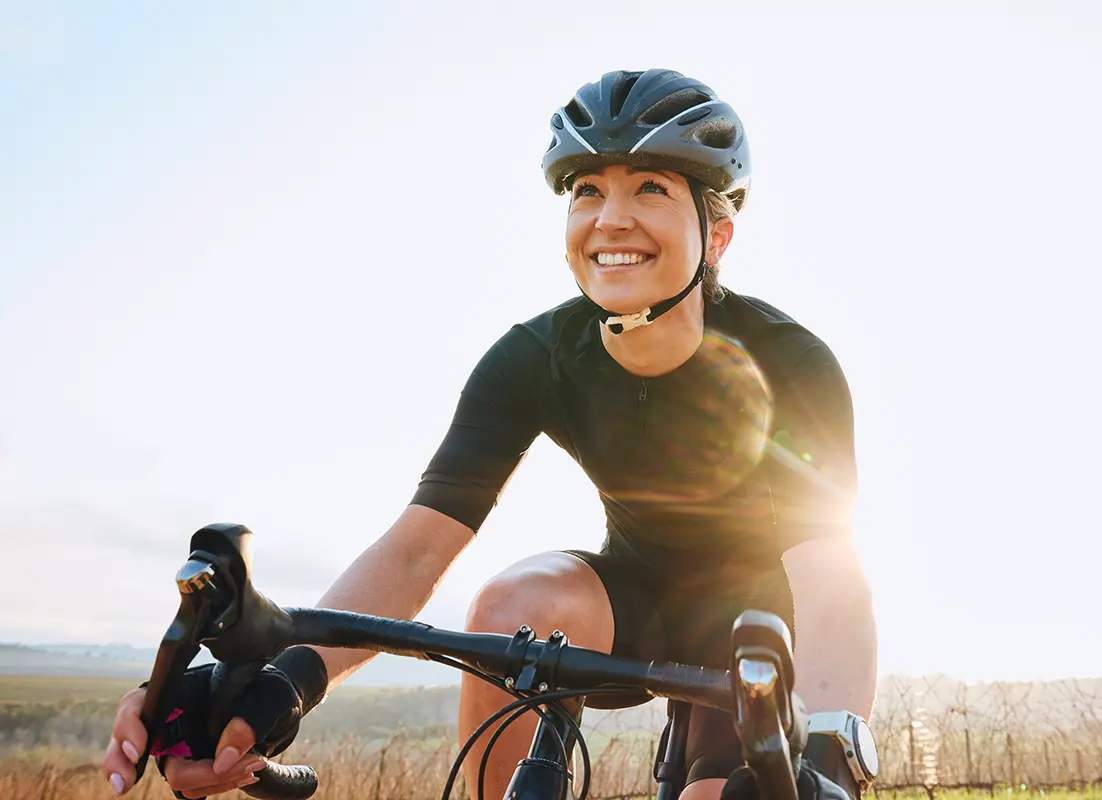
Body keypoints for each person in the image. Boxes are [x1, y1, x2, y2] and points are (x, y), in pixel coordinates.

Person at [102, 68, 878, 800]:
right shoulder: (532, 358)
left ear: (718, 235)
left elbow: (832, 581)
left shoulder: (791, 362)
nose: (611, 218)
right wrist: (280, 680)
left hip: (756, 627)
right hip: (627, 597)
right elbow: (415, 550)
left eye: (650, 186)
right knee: (513, 600)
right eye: (586, 189)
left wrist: (830, 754)